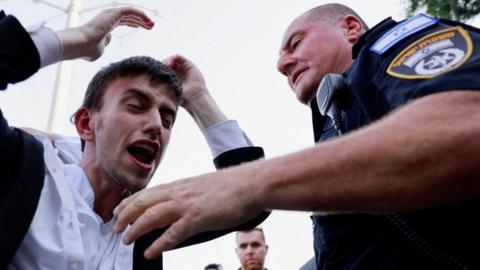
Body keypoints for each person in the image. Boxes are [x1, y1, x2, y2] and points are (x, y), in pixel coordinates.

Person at [113, 3, 480, 269]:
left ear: (351, 29)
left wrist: (246, 183)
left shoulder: (391, 47)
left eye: (295, 44)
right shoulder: (340, 111)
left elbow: (466, 126)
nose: (281, 64)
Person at [0, 6, 267, 270]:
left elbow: (255, 199)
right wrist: (80, 39)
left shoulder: (150, 221)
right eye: (136, 106)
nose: (155, 126)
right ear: (85, 123)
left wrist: (198, 98)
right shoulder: (22, 169)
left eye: (167, 118)